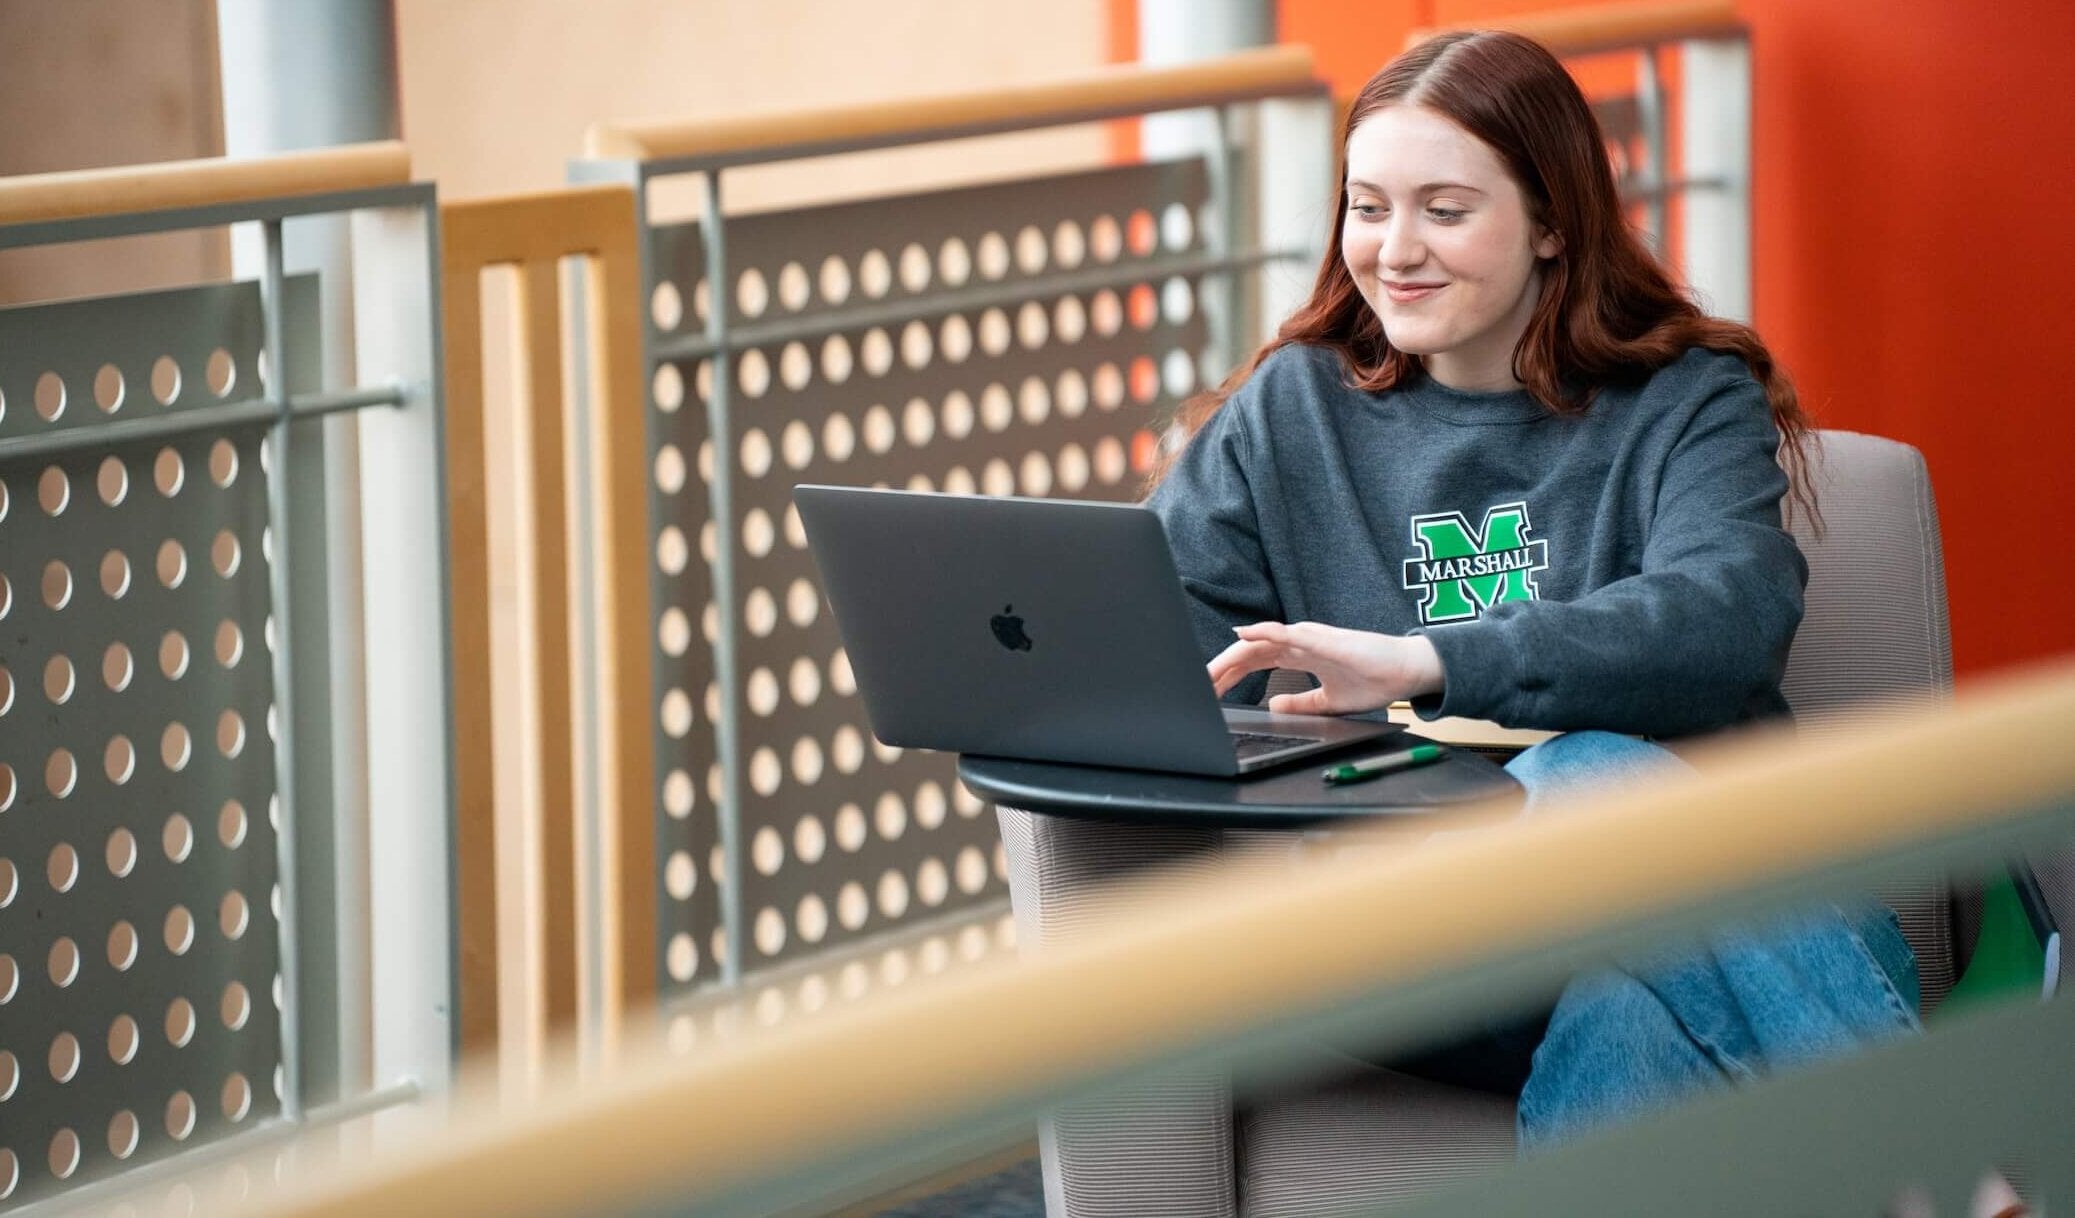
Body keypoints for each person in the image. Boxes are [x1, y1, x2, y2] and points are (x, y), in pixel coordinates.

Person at [1144, 29, 2024, 1216]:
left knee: (1612, 876)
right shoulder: (1285, 413)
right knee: (1591, 771)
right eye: (1365, 207)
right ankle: (1933, 1161)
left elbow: (1726, 618)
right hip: (1446, 954)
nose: (1391, 252)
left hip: (1751, 920)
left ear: (1552, 220)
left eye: (1443, 210)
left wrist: (1425, 662)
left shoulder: (1684, 398)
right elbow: (1159, 651)